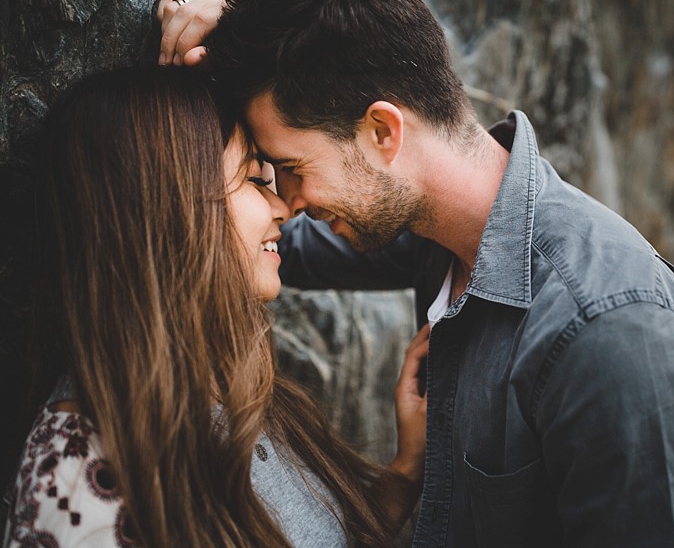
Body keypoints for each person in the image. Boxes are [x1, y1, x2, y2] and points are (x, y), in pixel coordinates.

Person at [157, 0, 674, 547]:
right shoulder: (430, 234)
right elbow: (246, 241)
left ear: (383, 132)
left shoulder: (609, 327)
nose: (289, 201)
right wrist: (240, 27)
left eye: (290, 168)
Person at [2, 66, 428, 548]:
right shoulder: (80, 479)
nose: (283, 208)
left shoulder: (230, 388)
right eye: (252, 178)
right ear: (168, 207)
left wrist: (406, 471)